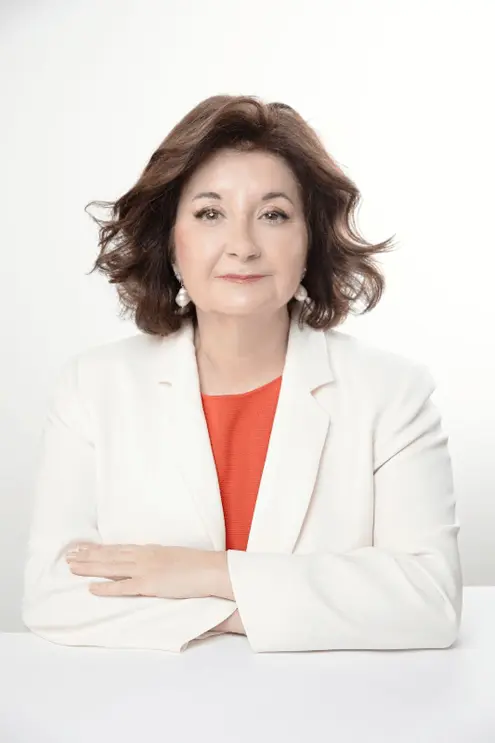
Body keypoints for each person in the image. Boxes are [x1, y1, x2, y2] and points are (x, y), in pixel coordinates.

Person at [21, 94, 462, 654]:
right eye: (210, 213)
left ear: (310, 241)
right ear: (171, 243)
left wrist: (202, 573)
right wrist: (276, 606)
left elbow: (429, 602)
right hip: (147, 712)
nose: (243, 246)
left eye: (273, 214)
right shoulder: (93, 388)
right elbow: (53, 594)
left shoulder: (392, 393)